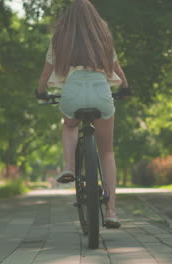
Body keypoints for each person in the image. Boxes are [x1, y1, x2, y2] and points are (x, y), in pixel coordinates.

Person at [36, 0, 130, 228]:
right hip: (101, 92)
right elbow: (117, 67)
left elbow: (46, 71)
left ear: (69, 17)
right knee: (106, 152)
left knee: (69, 124)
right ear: (94, 17)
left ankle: (69, 166)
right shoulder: (103, 37)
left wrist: (40, 92)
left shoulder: (60, 38)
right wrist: (126, 87)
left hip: (73, 92)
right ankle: (111, 211)